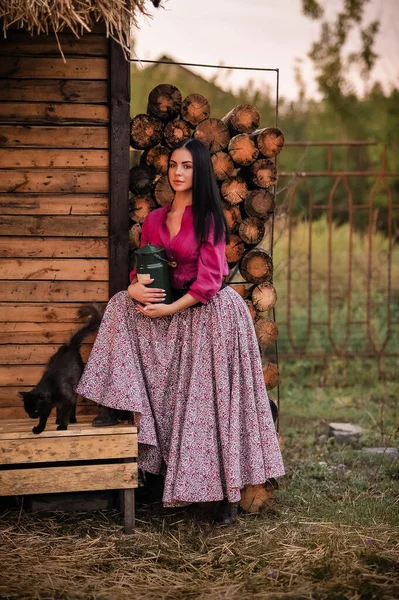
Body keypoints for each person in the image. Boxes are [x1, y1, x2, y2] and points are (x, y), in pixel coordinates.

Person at [76, 138, 284, 524]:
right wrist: (135, 285)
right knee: (121, 303)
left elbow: (208, 282)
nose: (177, 172)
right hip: (170, 311)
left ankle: (223, 495)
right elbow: (148, 267)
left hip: (207, 312)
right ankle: (128, 415)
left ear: (200, 170)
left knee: (206, 402)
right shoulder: (154, 218)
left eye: (186, 166)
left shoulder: (210, 218)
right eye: (173, 165)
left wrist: (170, 307)